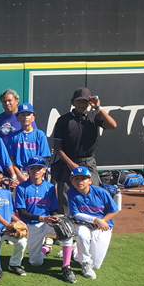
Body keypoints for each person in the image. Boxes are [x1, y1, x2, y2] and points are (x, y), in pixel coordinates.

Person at [51, 87, 118, 215]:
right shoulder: (64, 120)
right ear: (72, 102)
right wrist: (70, 164)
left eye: (85, 101)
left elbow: (112, 125)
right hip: (68, 162)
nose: (82, 104)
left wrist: (98, 107)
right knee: (66, 197)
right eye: (79, 101)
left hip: (88, 162)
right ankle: (67, 231)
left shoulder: (94, 116)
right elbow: (57, 146)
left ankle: (94, 225)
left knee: (94, 194)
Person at [67, 166, 120, 281]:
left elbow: (114, 210)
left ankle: (75, 251)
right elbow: (76, 214)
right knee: (81, 233)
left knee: (96, 265)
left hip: (103, 227)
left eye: (83, 178)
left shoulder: (100, 192)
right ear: (72, 181)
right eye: (76, 179)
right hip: (85, 225)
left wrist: (102, 221)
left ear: (90, 180)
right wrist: (96, 220)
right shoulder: (71, 192)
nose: (79, 181)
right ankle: (85, 263)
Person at [13, 156, 62, 277]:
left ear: (44, 170)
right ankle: (45, 248)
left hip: (47, 222)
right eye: (33, 168)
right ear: (28, 170)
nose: (36, 171)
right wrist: (42, 218)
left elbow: (54, 209)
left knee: (68, 230)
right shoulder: (21, 188)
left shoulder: (50, 187)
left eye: (39, 168)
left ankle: (68, 263)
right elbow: (22, 213)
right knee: (35, 262)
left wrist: (55, 219)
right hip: (31, 224)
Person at [5, 103, 52, 184]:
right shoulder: (13, 136)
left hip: (37, 171)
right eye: (22, 115)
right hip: (20, 172)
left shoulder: (40, 135)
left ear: (33, 117)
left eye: (28, 114)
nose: (25, 117)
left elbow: (44, 158)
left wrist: (37, 174)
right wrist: (19, 176)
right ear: (17, 118)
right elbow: (10, 159)